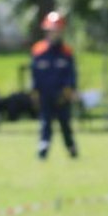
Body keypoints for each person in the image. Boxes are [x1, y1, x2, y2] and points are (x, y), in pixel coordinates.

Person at [30, 11, 79, 161]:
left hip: (62, 95)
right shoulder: (38, 50)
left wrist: (70, 90)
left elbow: (71, 74)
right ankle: (43, 148)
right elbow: (35, 74)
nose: (54, 34)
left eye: (57, 30)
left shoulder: (67, 52)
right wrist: (35, 92)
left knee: (65, 123)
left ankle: (71, 148)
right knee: (45, 123)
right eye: (51, 30)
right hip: (45, 94)